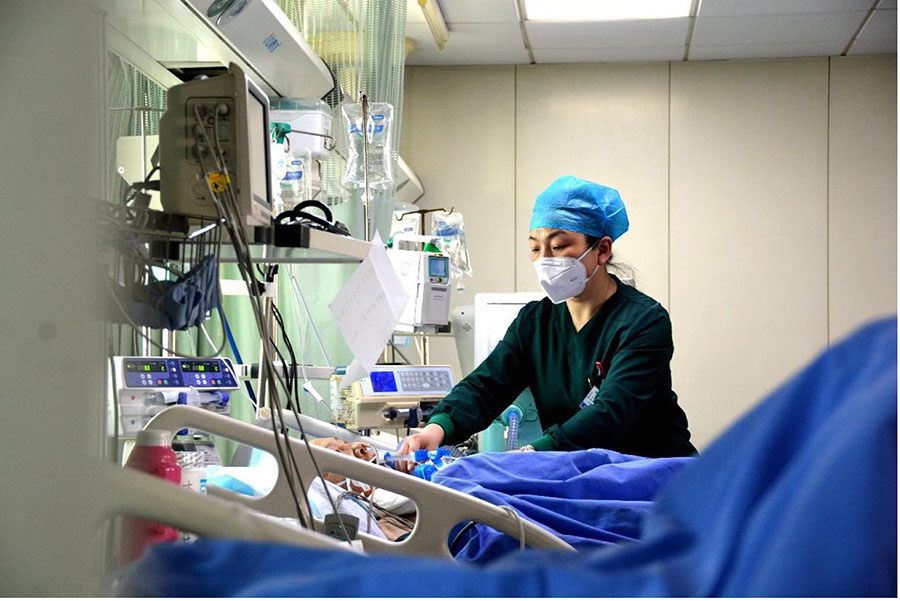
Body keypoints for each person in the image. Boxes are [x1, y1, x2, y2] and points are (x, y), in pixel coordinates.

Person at [398, 175, 695, 466]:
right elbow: (486, 385)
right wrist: (437, 429)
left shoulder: (643, 321)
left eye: (559, 246)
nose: (545, 259)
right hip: (578, 472)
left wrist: (535, 453)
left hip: (651, 475)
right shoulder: (534, 322)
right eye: (536, 248)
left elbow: (611, 413)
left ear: (602, 250)